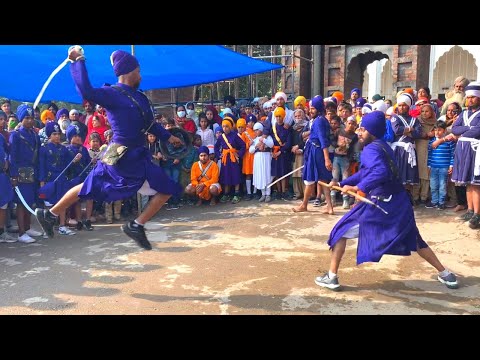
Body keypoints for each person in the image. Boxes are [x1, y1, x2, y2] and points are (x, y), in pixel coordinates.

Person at [34, 47, 184, 251]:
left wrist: (169, 136)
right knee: (90, 186)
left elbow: (150, 125)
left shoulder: (140, 97)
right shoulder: (111, 93)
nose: (140, 75)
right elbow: (87, 91)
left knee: (167, 188)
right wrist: (78, 61)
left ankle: (135, 225)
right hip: (119, 155)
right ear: (129, 71)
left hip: (139, 155)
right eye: (138, 71)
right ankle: (51, 214)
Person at [314, 111, 459, 291]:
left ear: (372, 132)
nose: (359, 132)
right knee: (414, 239)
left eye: (363, 129)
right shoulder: (383, 146)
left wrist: (359, 188)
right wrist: (343, 182)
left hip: (381, 203)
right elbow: (366, 172)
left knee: (340, 231)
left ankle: (332, 277)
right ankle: (446, 274)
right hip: (399, 203)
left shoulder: (371, 149)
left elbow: (380, 172)